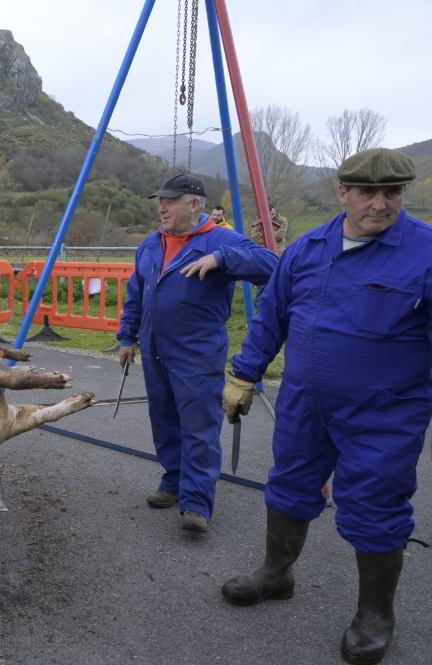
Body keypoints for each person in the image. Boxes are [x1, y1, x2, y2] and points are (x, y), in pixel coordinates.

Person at [220, 149, 431, 665]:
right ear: (343, 193)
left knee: (376, 506)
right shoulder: (308, 248)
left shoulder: (425, 252)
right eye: (368, 193)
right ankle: (277, 573)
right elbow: (272, 315)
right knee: (288, 485)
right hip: (305, 401)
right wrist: (244, 373)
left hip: (385, 412)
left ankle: (375, 614)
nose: (381, 205)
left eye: (393, 194)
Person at [116, 174, 278, 533]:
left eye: (171, 201)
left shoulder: (221, 240)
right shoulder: (150, 244)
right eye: (161, 200)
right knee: (164, 419)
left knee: (199, 426)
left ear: (194, 204)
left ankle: (197, 503)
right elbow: (136, 291)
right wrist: (127, 336)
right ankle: (173, 481)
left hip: (197, 351)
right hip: (154, 346)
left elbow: (272, 266)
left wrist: (223, 259)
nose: (162, 207)